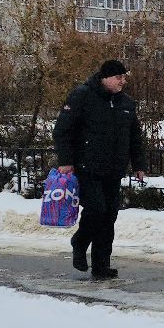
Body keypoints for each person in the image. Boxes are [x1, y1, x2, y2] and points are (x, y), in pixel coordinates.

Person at [52, 59, 147, 280]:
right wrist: (66, 161)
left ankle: (101, 266)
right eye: (118, 77)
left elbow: (135, 137)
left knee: (109, 216)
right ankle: (80, 242)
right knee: (96, 210)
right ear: (105, 78)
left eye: (124, 77)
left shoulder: (126, 103)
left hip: (114, 170)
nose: (123, 81)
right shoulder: (83, 96)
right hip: (87, 167)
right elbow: (62, 130)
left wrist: (139, 165)